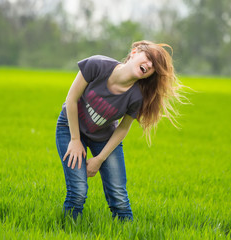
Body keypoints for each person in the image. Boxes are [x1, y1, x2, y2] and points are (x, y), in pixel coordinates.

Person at [55, 40, 185, 221]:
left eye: (153, 66)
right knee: (78, 191)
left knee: (119, 198)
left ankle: (127, 231)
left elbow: (123, 129)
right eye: (148, 58)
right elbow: (71, 99)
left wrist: (99, 159)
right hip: (70, 128)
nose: (148, 65)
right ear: (134, 52)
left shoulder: (136, 97)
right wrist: (75, 140)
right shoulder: (97, 65)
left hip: (103, 137)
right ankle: (67, 229)